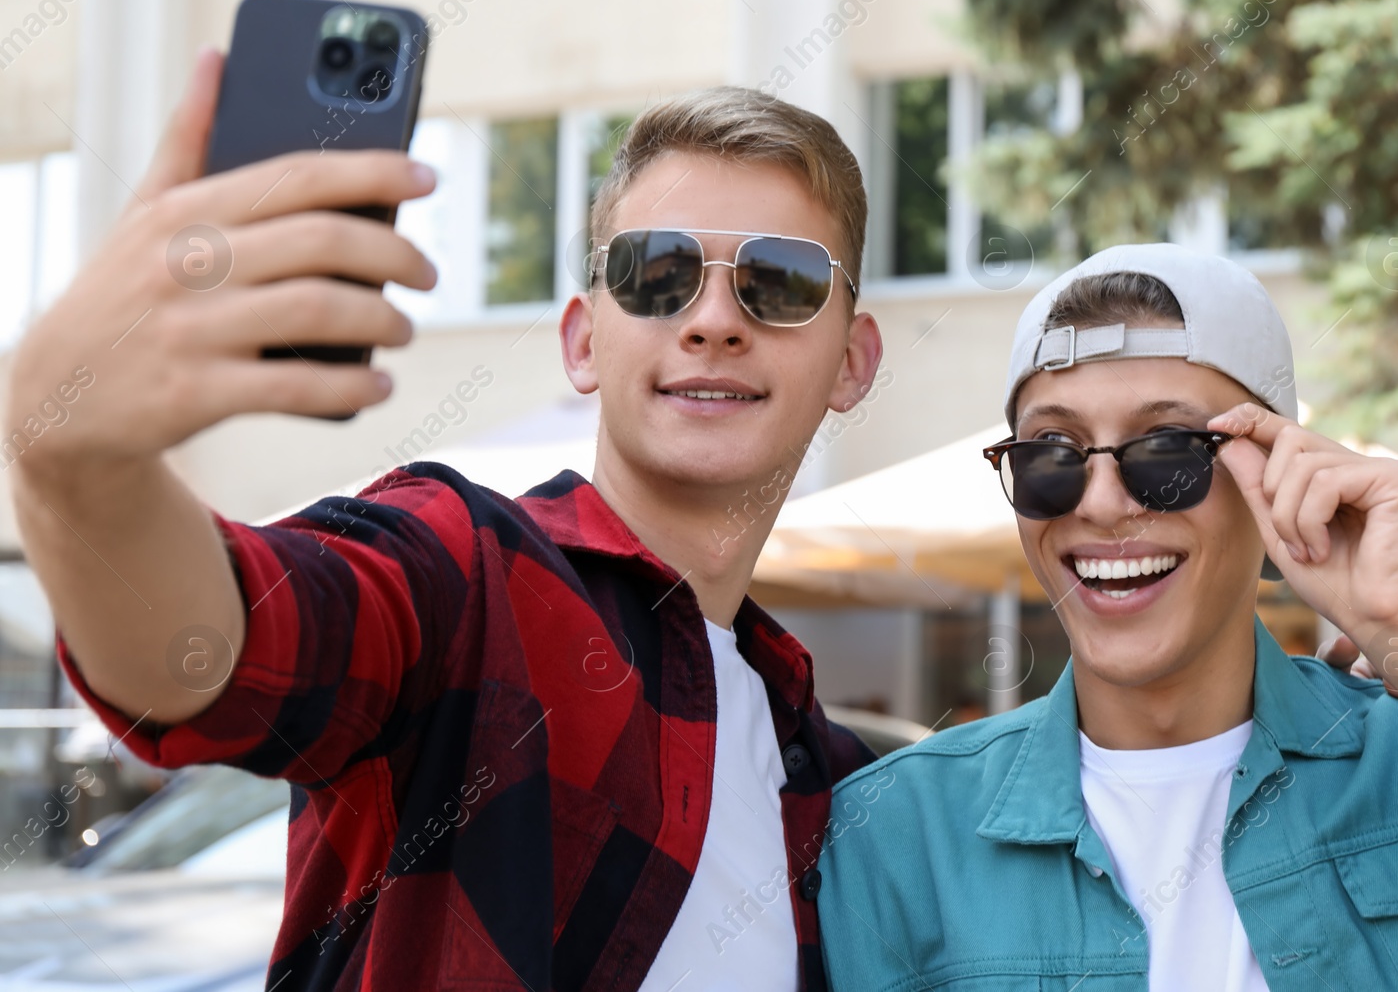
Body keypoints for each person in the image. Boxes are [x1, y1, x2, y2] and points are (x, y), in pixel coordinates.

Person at [6, 48, 887, 990]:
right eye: (657, 271)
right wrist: (76, 465)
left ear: (852, 362)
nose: (713, 318)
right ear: (584, 340)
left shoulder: (833, 771)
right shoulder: (464, 574)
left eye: (783, 281)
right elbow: (218, 652)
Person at [815, 243, 1398, 991]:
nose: (1100, 502)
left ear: (1279, 472)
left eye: (1167, 451)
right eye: (1051, 455)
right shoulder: (895, 833)